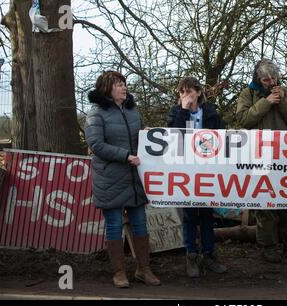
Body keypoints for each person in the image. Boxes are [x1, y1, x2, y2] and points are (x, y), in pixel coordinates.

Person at [85, 71, 160, 288]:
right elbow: (96, 145)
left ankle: (143, 270)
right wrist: (125, 156)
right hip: (110, 178)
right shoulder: (96, 114)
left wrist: (148, 134)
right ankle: (119, 272)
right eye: (118, 84)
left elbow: (139, 135)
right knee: (114, 225)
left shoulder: (132, 111)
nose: (124, 88)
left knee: (140, 224)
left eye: (124, 84)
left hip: (134, 178)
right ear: (107, 88)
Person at [236, 59, 287, 263]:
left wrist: (282, 100)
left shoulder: (285, 92)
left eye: (273, 78)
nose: (271, 82)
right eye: (266, 79)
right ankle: (268, 246)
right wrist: (266, 103)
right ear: (258, 78)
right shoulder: (248, 94)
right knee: (265, 201)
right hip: (259, 154)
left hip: (285, 154)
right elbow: (243, 120)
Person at [167, 76, 228, 278]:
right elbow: (173, 137)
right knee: (190, 215)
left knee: (207, 215)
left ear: (199, 92)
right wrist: (184, 111)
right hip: (185, 170)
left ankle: (209, 255)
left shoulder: (210, 112)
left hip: (208, 169)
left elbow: (222, 137)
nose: (187, 95)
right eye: (183, 92)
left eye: (190, 91)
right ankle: (191, 255)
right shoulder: (176, 112)